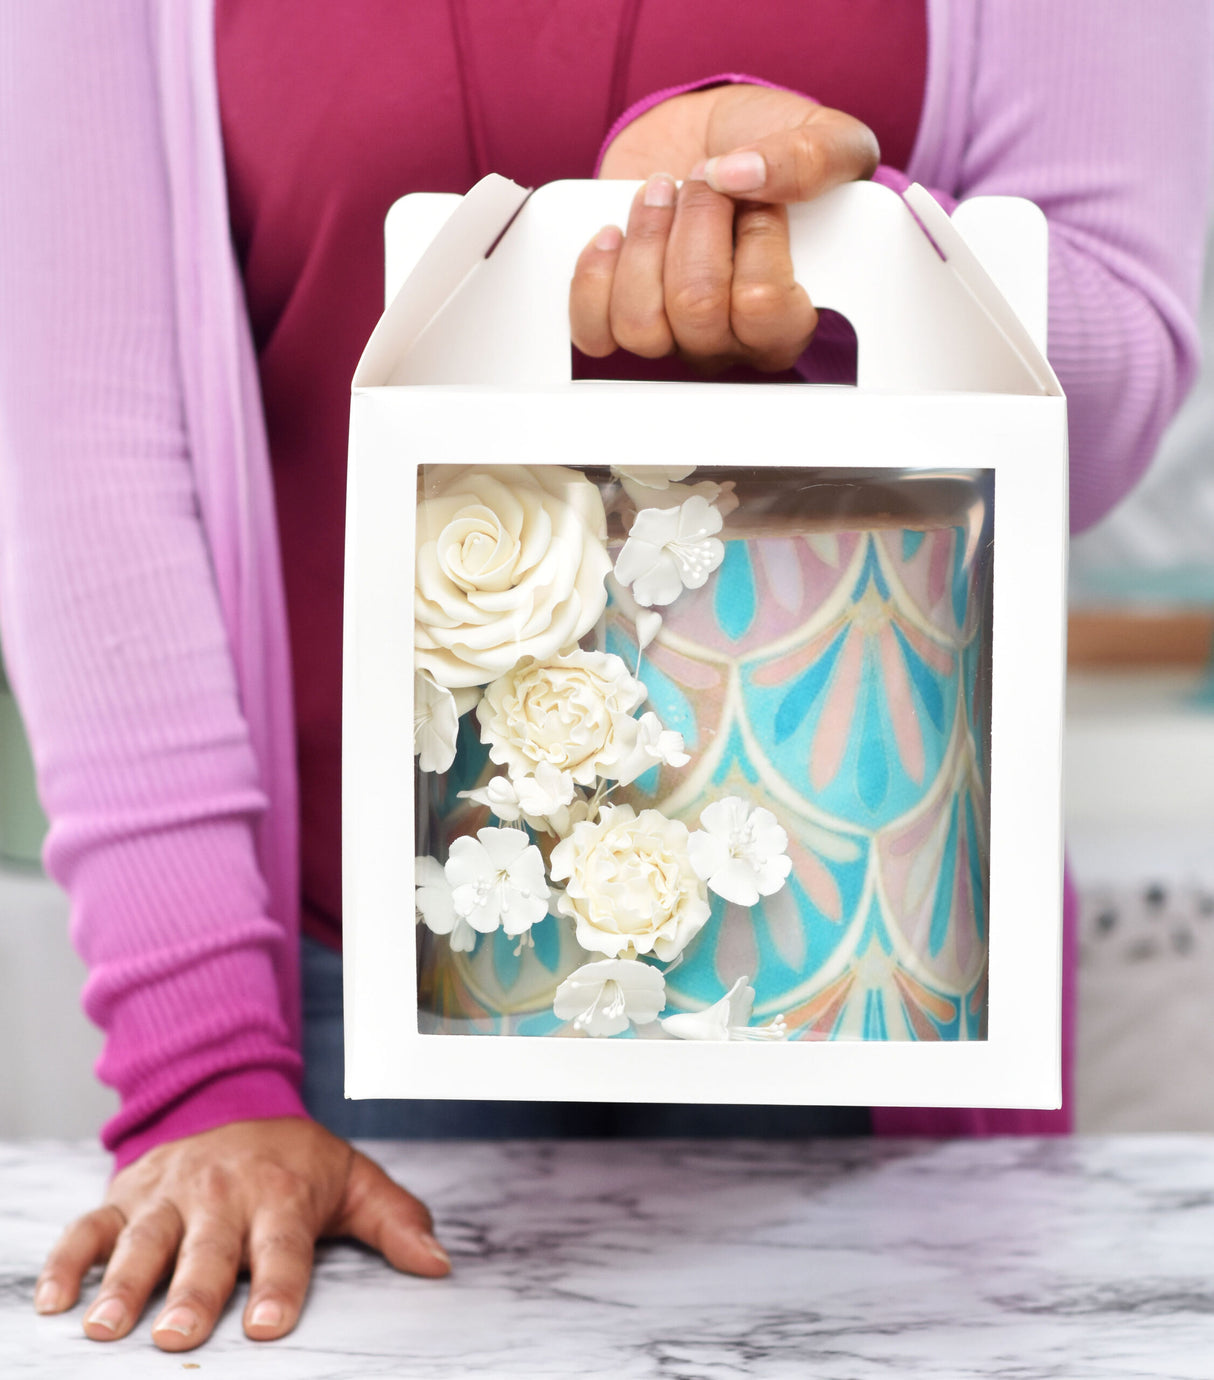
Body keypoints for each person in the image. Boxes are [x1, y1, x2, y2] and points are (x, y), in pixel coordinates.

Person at [1, 0, 1209, 1356]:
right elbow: (89, 454)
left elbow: (1105, 415)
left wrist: (796, 236)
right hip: (328, 991)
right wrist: (207, 1072)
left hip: (866, 965)